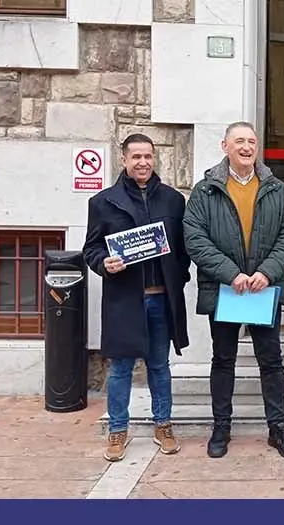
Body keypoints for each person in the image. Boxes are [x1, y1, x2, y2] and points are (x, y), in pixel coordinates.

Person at [183, 121, 284, 460]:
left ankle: (277, 427)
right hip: (226, 289)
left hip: (264, 289)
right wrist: (231, 274)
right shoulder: (206, 190)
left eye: (252, 141)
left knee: (271, 360)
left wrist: (267, 272)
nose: (247, 147)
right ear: (225, 147)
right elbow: (195, 238)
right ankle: (221, 426)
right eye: (239, 141)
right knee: (223, 360)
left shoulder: (276, 188)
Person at [83, 133, 190, 462]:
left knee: (160, 365)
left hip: (161, 299)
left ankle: (163, 424)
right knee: (121, 368)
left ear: (154, 158)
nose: (143, 162)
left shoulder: (173, 200)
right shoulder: (103, 202)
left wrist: (178, 276)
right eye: (136, 157)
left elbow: (183, 251)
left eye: (148, 156)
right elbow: (91, 249)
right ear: (124, 160)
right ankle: (117, 431)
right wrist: (105, 263)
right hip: (125, 300)